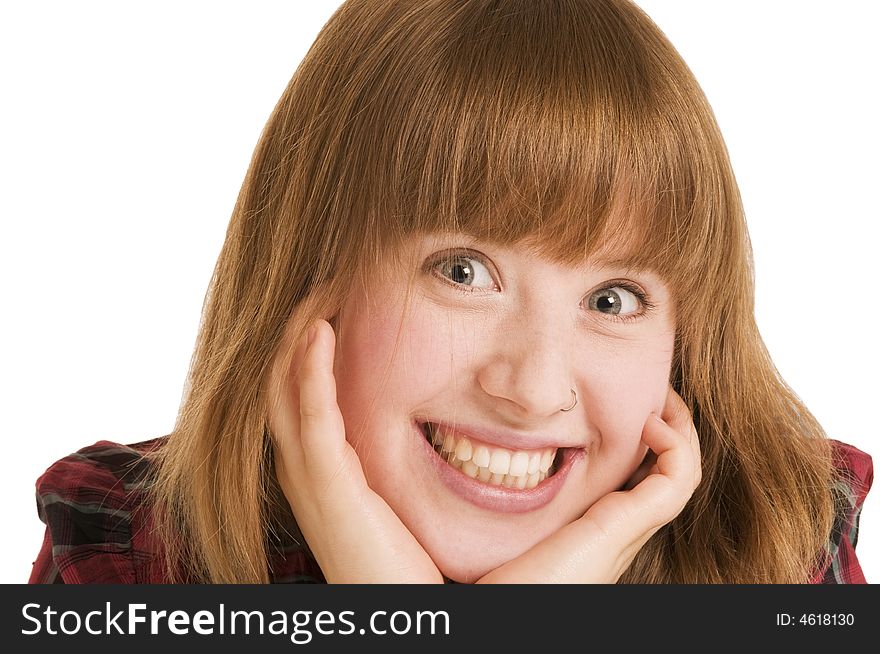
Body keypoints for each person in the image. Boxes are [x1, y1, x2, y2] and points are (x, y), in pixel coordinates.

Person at [29, 0, 872, 584]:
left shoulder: (775, 543)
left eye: (612, 299)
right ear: (309, 272)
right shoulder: (128, 555)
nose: (535, 389)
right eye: (463, 271)